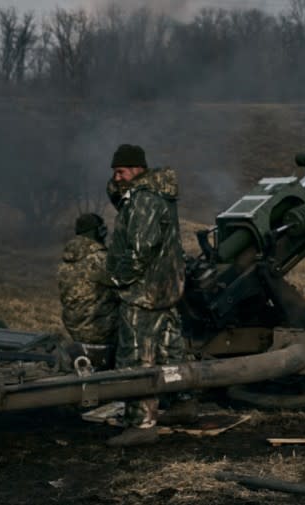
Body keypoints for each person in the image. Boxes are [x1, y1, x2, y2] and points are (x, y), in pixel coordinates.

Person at [102, 144, 188, 447]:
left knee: (136, 357)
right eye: (114, 171)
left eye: (121, 170)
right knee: (170, 351)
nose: (116, 175)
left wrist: (117, 278)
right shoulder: (160, 195)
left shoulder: (143, 201)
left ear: (137, 169)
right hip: (167, 289)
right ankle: (182, 404)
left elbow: (140, 249)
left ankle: (142, 424)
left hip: (143, 293)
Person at [57, 213, 118, 346]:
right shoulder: (100, 259)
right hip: (100, 331)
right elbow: (123, 286)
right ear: (98, 232)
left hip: (74, 330)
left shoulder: (66, 261)